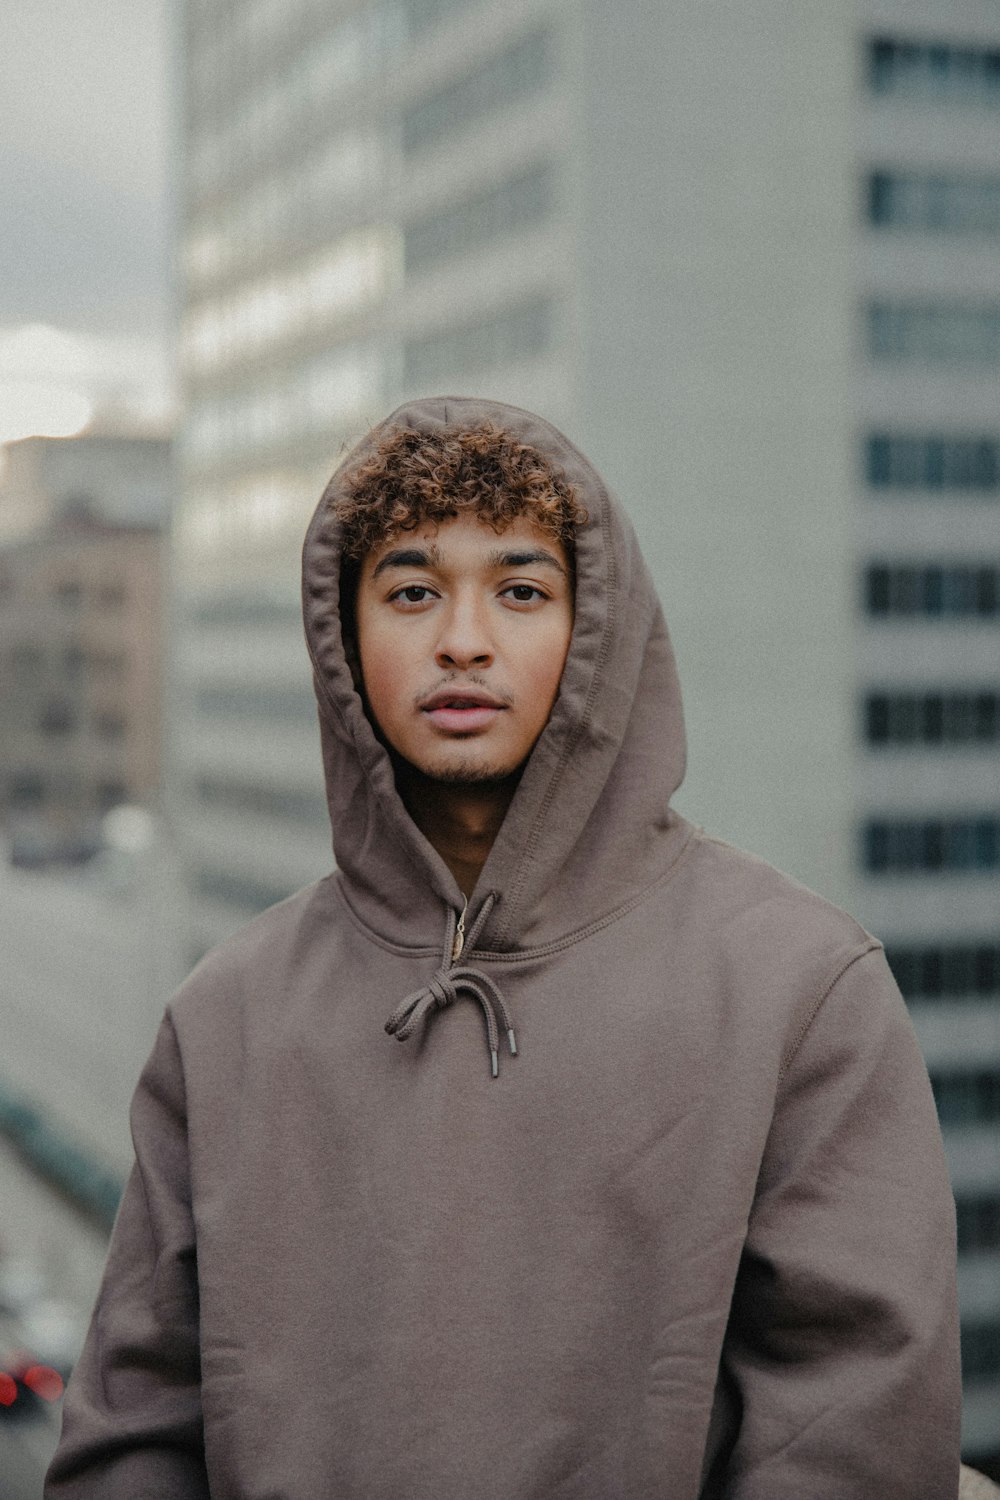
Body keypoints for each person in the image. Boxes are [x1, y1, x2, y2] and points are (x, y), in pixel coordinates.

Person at [46, 396, 961, 1498]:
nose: (463, 638)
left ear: (595, 637)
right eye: (413, 591)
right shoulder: (226, 1016)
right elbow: (133, 1436)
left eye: (521, 592)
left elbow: (852, 1436)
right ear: (344, 641)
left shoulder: (799, 989)